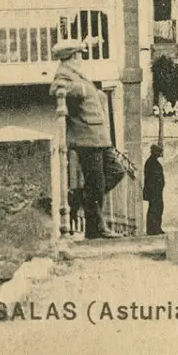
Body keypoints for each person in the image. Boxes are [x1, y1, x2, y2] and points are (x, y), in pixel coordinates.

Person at [50, 38, 119, 240]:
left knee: (117, 171)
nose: (81, 58)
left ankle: (79, 197)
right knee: (96, 185)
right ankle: (96, 229)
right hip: (87, 139)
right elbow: (55, 89)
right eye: (79, 55)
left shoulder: (76, 73)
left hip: (100, 138)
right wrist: (78, 91)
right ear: (71, 57)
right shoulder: (64, 74)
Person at [143, 143, 166, 236]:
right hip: (153, 191)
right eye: (158, 152)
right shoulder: (150, 162)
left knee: (158, 208)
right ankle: (153, 229)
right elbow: (151, 178)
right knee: (155, 209)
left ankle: (156, 228)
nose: (159, 154)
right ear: (153, 152)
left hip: (157, 190)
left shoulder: (153, 162)